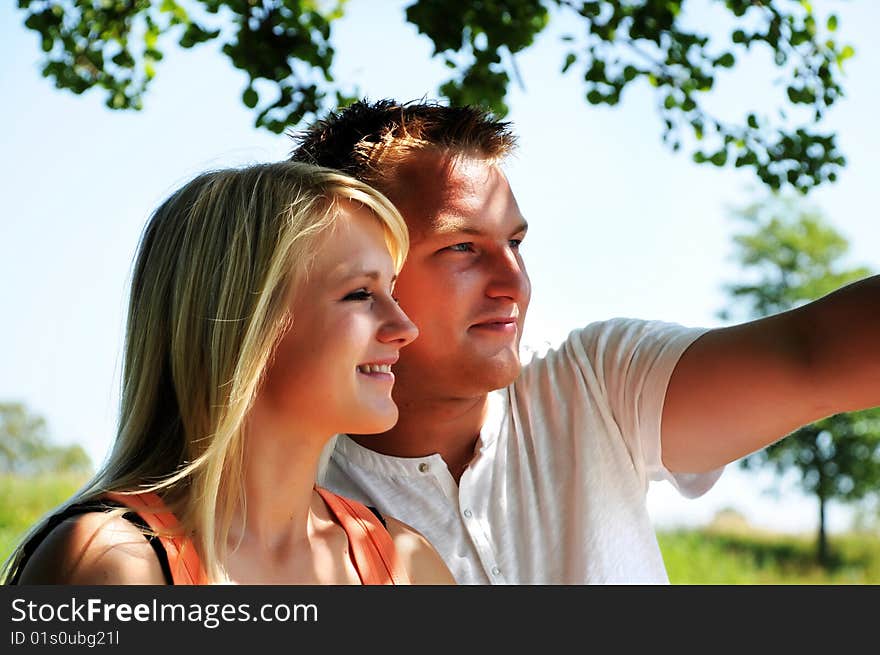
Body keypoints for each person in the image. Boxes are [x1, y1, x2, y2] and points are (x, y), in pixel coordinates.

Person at [289, 98, 880, 584]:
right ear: (358, 268)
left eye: (516, 244)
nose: (513, 284)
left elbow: (816, 356)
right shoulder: (283, 498)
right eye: (461, 247)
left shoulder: (598, 383)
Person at [2, 161, 455, 585]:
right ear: (243, 322)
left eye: (390, 291)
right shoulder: (112, 564)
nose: (404, 327)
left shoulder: (408, 565)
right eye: (359, 293)